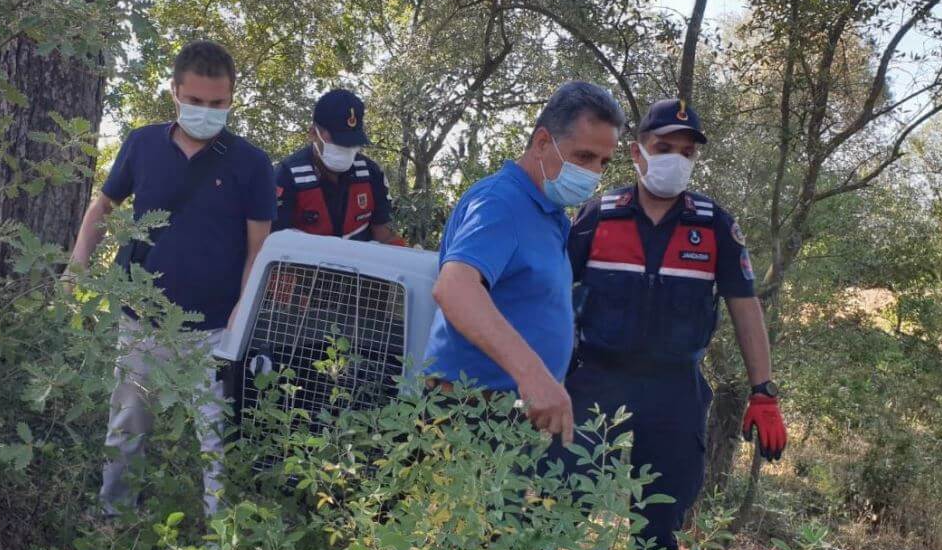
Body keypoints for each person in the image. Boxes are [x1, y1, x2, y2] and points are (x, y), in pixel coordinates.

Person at [556, 98, 787, 550]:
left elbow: (745, 306)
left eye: (686, 152)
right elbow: (551, 296)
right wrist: (537, 372)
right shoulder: (598, 215)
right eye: (664, 147)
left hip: (674, 389)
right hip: (596, 378)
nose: (675, 160)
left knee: (660, 524)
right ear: (638, 152)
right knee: (563, 498)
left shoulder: (714, 225)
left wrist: (763, 392)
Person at [68, 40, 276, 517]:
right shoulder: (142, 144)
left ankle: (220, 539)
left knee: (217, 440)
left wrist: (240, 321)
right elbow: (103, 207)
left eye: (218, 103)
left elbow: (258, 250)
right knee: (127, 425)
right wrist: (76, 266)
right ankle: (114, 523)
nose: (206, 111)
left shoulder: (251, 163)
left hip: (215, 329)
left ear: (231, 99)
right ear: (175, 93)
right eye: (197, 101)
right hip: (143, 321)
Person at [423, 81, 624, 443]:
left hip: (506, 418)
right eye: (583, 157)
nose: (594, 173)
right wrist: (533, 375)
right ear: (543, 142)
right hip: (466, 416)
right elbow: (454, 287)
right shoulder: (502, 203)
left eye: (603, 162)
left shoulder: (549, 215)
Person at [273, 89, 405, 245]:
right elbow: (272, 242)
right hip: (301, 265)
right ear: (314, 134)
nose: (346, 147)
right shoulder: (287, 175)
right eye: (338, 140)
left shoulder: (371, 174)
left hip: (359, 263)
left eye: (351, 142)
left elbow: (384, 235)